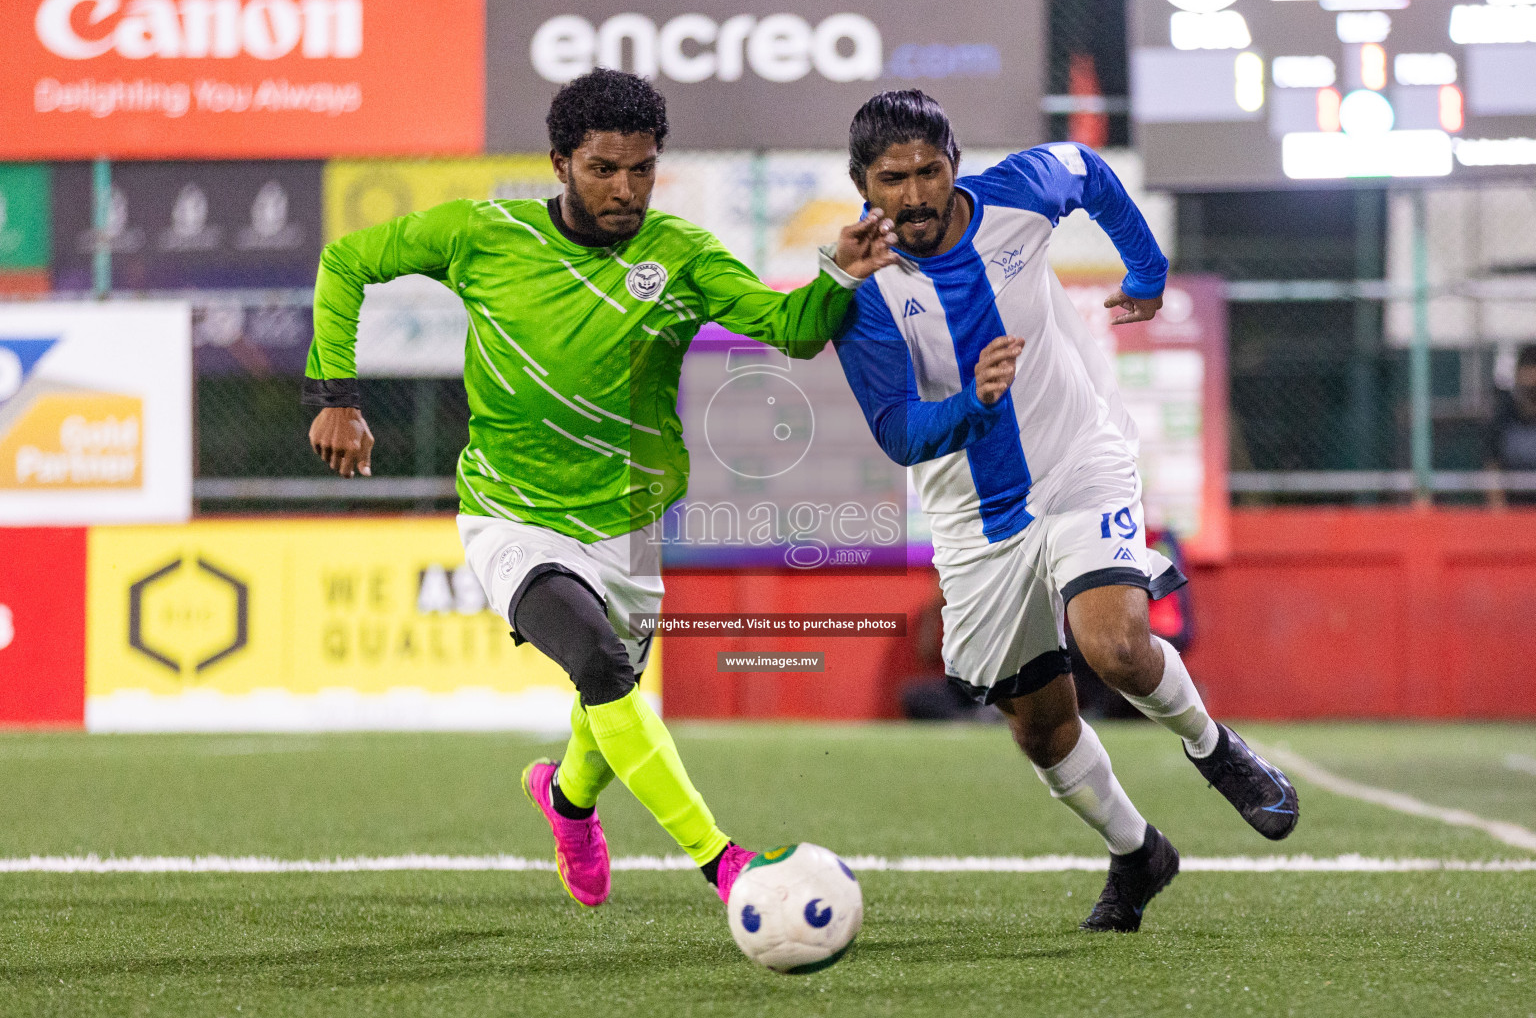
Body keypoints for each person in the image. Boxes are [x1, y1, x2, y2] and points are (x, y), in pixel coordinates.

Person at [302, 69, 896, 910]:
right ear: (559, 163)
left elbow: (789, 333)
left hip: (629, 526)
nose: (625, 189)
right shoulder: (482, 231)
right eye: (604, 169)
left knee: (602, 717)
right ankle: (725, 864)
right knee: (601, 665)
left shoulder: (683, 255)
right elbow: (347, 261)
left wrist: (840, 276)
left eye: (642, 169)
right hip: (513, 516)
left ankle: (567, 800)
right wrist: (336, 398)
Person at [830, 90, 1299, 933]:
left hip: (1080, 460)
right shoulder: (861, 290)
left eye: (929, 170)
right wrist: (974, 402)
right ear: (863, 185)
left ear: (955, 164)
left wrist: (1147, 271)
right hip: (974, 518)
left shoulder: (1016, 194)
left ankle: (1214, 749)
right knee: (1041, 726)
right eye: (891, 179)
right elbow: (900, 432)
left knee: (1115, 645)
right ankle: (1138, 852)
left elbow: (1088, 172)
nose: (915, 194)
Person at [1485, 345, 1536, 508]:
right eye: (1527, 371)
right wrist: (1499, 508)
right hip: (1513, 507)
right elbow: (1492, 465)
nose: (1531, 383)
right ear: (1517, 374)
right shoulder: (1503, 416)